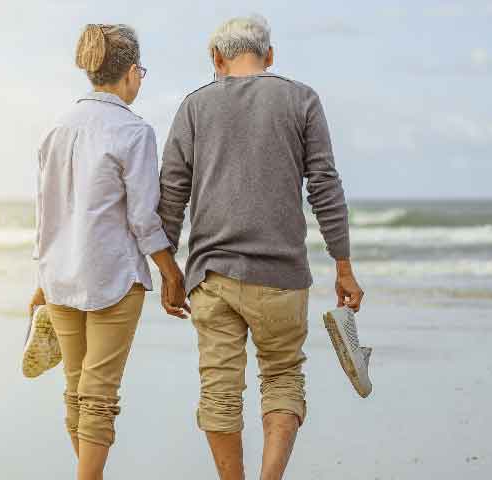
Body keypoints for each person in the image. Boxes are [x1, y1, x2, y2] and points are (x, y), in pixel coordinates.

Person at [157, 15, 365, 480]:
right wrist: (343, 265)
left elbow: (171, 190)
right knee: (283, 378)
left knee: (219, 391)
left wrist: (169, 268)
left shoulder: (194, 106)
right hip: (282, 277)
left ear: (216, 59)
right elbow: (325, 187)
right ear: (270, 57)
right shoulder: (301, 99)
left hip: (212, 276)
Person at [28, 23, 188, 480]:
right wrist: (169, 271)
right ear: (132, 73)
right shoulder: (133, 131)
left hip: (59, 274)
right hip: (113, 277)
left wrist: (40, 280)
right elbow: (142, 217)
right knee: (98, 394)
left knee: (76, 388)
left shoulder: (55, 128)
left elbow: (46, 214)